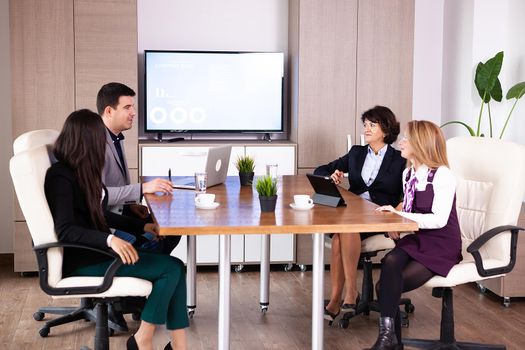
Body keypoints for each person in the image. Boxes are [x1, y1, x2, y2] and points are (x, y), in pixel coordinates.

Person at [44, 109, 188, 350]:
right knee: (170, 269)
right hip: (84, 259)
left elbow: (100, 213)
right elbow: (65, 230)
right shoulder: (60, 177)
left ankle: (179, 346)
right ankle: (142, 339)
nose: (102, 146)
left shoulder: (83, 171)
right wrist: (110, 240)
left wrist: (142, 225)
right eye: (98, 141)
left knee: (176, 268)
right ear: (84, 142)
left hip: (99, 253)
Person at [367, 120, 463, 350]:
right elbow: (409, 211)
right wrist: (395, 216)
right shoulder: (408, 174)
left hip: (441, 244)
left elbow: (439, 220)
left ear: (421, 143)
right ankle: (389, 341)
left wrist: (404, 219)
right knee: (390, 261)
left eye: (406, 139)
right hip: (416, 239)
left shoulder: (442, 176)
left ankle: (389, 342)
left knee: (384, 288)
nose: (401, 142)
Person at [314, 106, 405, 322]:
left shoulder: (400, 159)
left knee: (342, 234)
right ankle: (345, 295)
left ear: (386, 129)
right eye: (365, 124)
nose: (366, 129)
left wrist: (394, 221)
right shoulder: (356, 153)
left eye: (372, 125)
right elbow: (321, 170)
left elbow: (405, 195)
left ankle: (343, 296)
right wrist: (332, 176)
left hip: (379, 216)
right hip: (352, 214)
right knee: (341, 235)